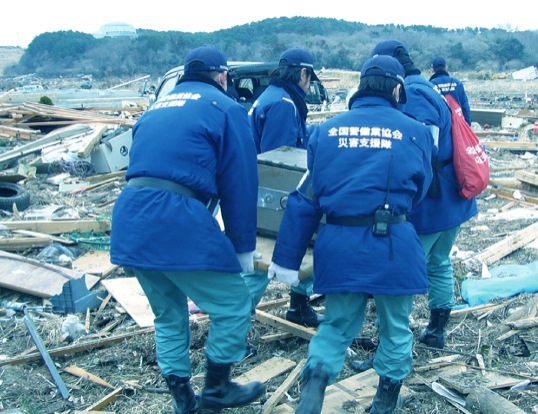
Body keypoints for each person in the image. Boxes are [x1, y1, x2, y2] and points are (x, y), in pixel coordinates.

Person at [267, 54, 434, 414]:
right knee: (395, 328)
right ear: (396, 88)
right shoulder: (416, 131)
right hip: (394, 246)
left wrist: (285, 261)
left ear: (361, 86)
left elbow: (305, 199)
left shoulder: (326, 132)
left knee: (338, 325)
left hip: (341, 245)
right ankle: (384, 401)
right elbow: (421, 191)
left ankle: (312, 393)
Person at [110, 46, 265, 414]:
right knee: (233, 304)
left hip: (130, 217)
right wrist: (242, 249)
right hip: (174, 217)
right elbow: (240, 183)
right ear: (224, 76)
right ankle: (218, 390)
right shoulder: (227, 108)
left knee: (168, 313)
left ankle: (184, 400)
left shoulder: (156, 108)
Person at [372, 40, 478, 350]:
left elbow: (422, 147)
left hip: (433, 200)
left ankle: (390, 346)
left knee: (397, 272)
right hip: (451, 198)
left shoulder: (414, 92)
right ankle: (436, 331)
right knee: (439, 262)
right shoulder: (426, 86)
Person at [248, 47, 324, 328]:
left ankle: (299, 306)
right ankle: (234, 325)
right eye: (309, 77)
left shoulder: (272, 96)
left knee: (303, 248)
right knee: (264, 262)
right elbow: (279, 163)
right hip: (267, 197)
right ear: (303, 73)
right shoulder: (283, 104)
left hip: (257, 189)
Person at [429, 56, 472, 126]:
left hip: (441, 127)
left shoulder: (430, 85)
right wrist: (468, 126)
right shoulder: (457, 83)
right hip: (458, 125)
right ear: (446, 68)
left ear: (432, 70)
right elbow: (465, 107)